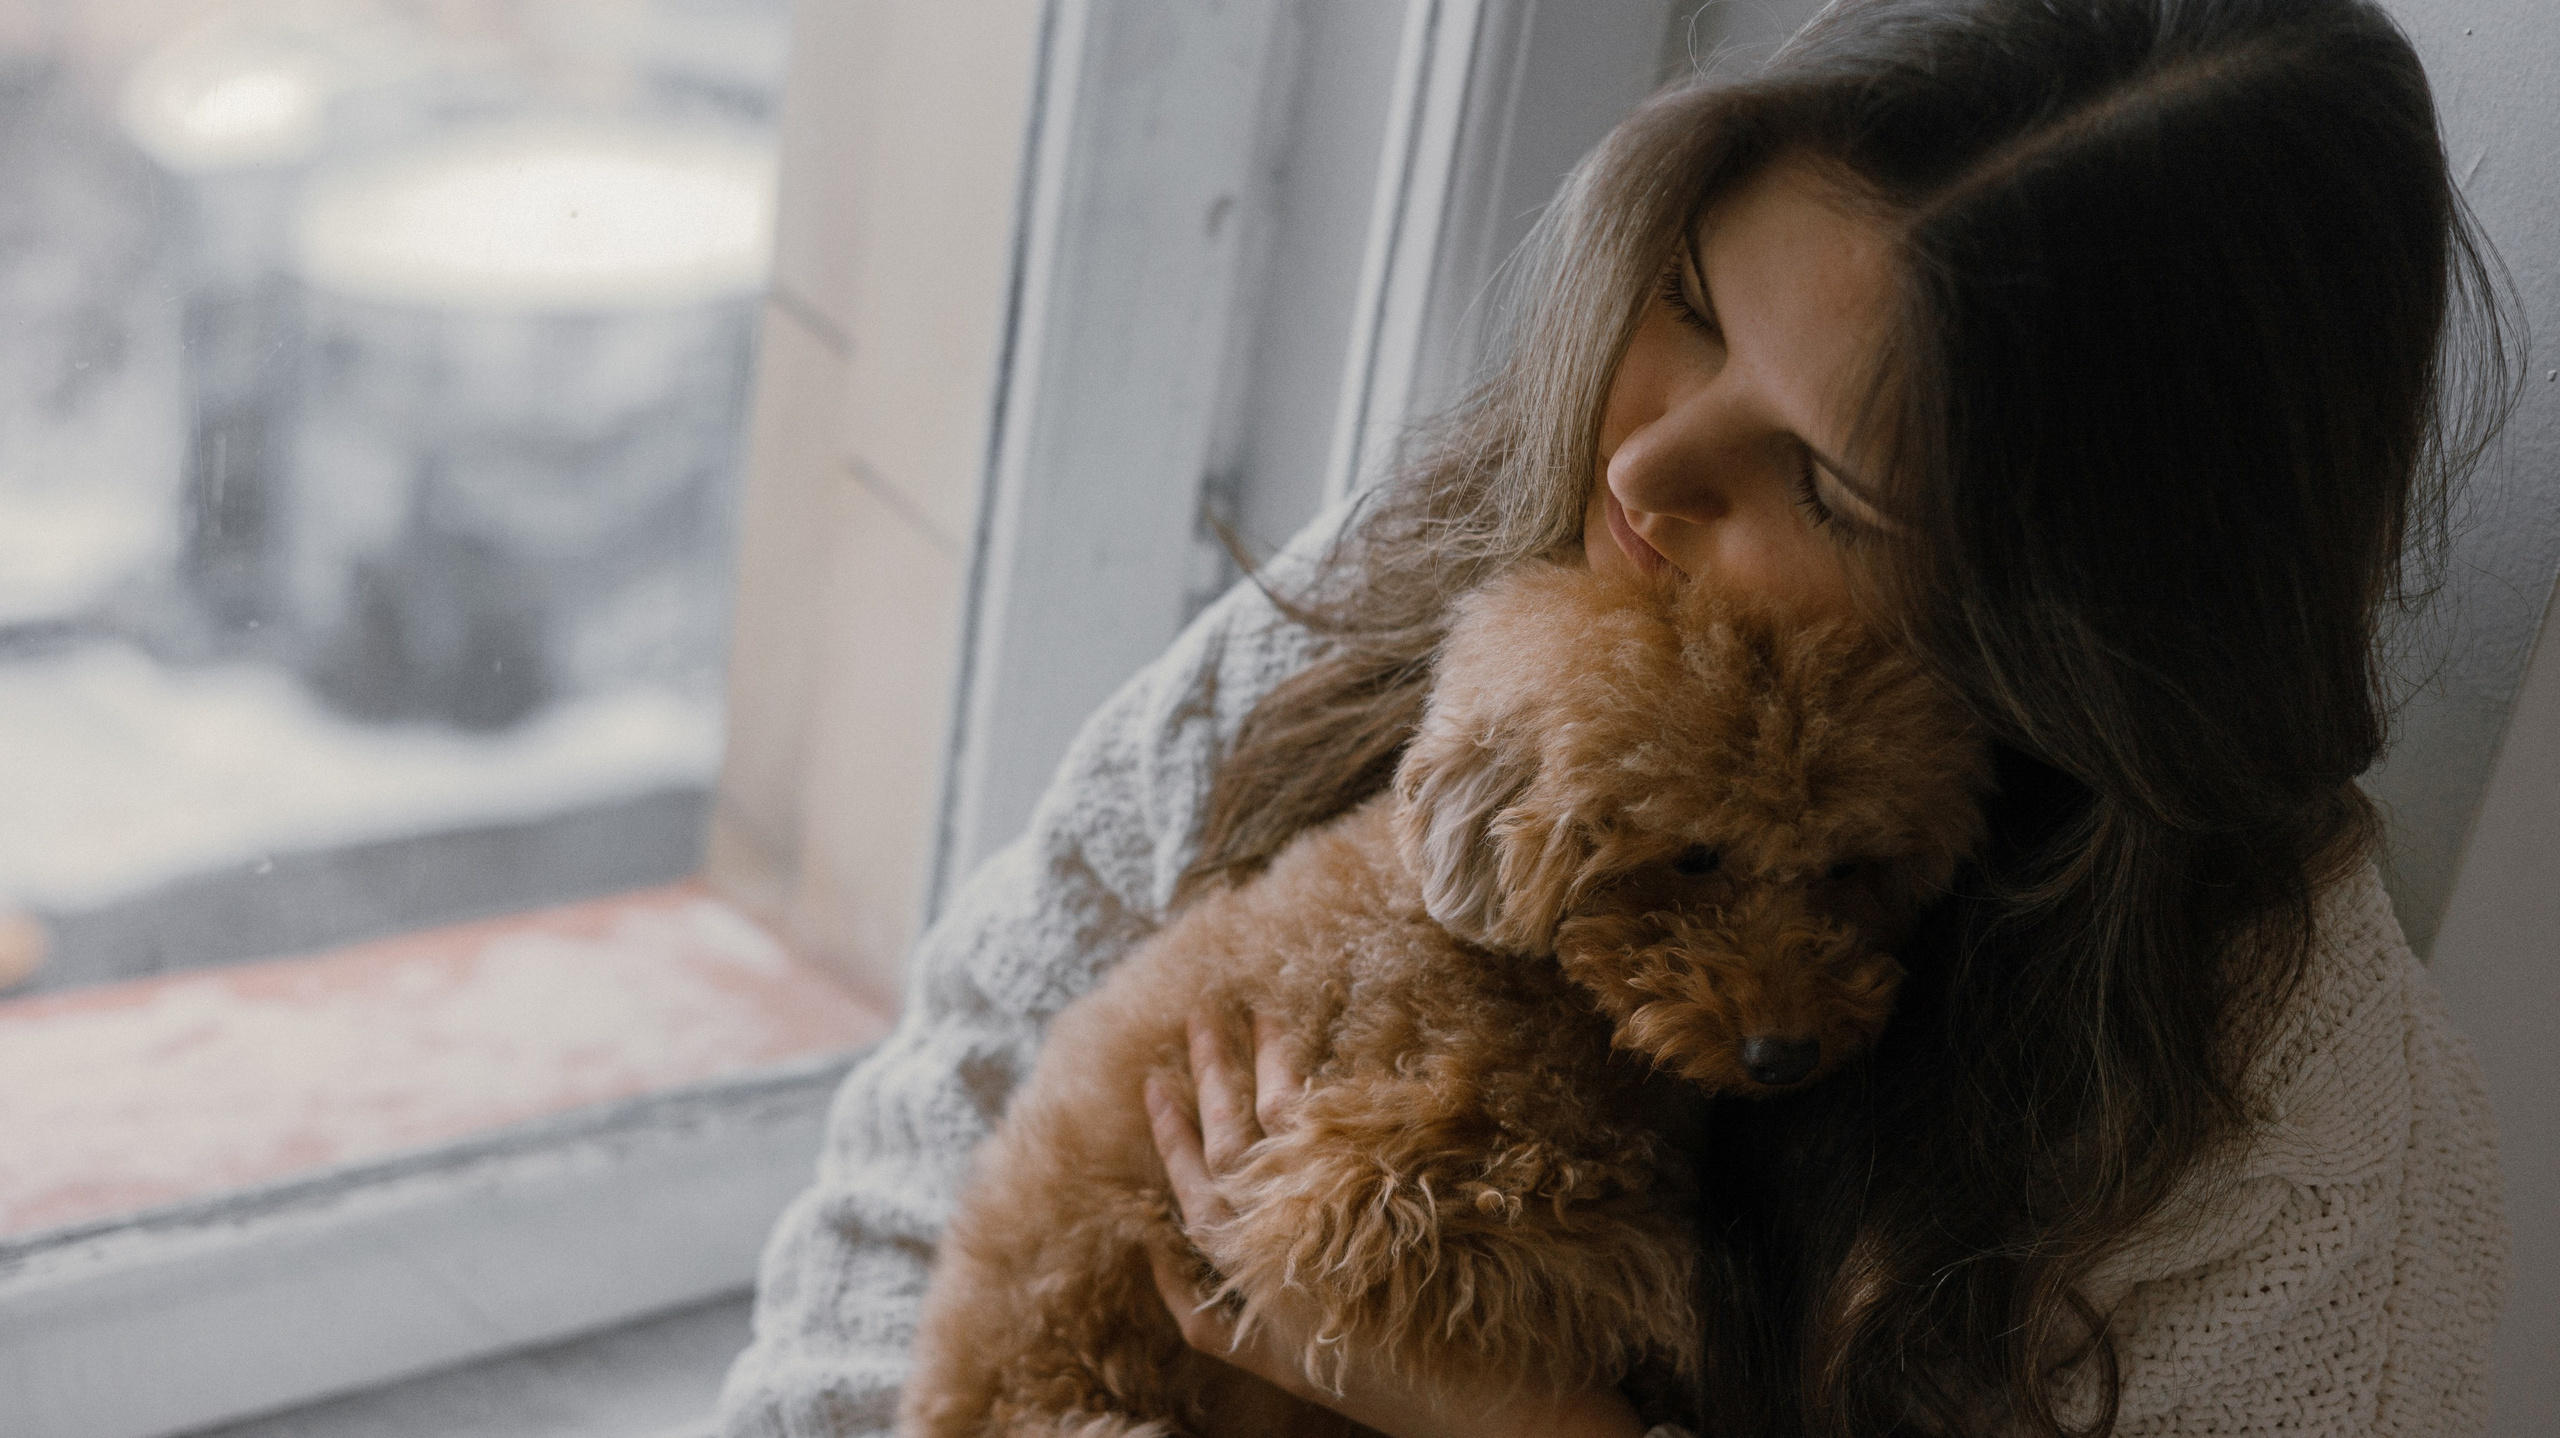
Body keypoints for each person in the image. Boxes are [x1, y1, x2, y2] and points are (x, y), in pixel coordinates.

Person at [716, 0, 2512, 1434]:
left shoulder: (2310, 1191)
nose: (1649, 458)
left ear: (2090, 620)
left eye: (1826, 479)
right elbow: (947, 1108)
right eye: (1686, 305)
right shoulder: (1472, 557)